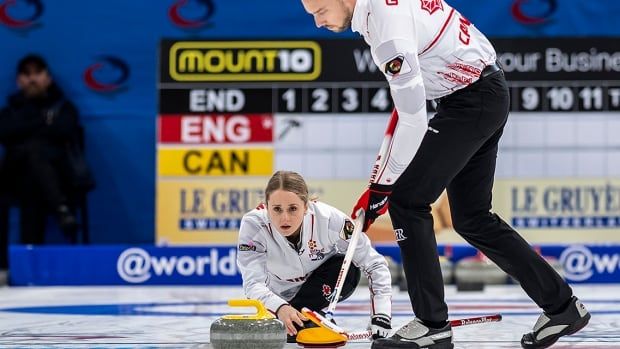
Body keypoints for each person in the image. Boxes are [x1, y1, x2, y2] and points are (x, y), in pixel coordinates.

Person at [300, 1, 590, 348]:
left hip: (471, 100)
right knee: (472, 218)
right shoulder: (378, 14)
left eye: (320, 11)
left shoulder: (386, 28)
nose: (318, 23)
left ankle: (431, 324)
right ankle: (562, 307)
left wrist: (383, 187)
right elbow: (405, 105)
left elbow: (412, 118)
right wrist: (379, 185)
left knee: (407, 200)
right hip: (482, 91)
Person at [237, 170, 392, 343]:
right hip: (278, 294)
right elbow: (252, 283)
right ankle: (304, 320)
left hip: (322, 285)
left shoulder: (329, 220)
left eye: (293, 208)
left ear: (306, 206)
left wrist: (381, 314)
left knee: (348, 266)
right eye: (277, 209)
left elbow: (375, 264)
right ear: (266, 206)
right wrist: (279, 306)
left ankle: (306, 317)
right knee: (291, 330)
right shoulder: (253, 225)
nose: (285, 218)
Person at [0, 54, 83, 244]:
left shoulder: (63, 107)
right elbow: (3, 132)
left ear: (48, 79)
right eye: (27, 74)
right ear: (18, 81)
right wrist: (42, 124)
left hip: (60, 177)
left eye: (37, 73)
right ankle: (61, 209)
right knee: (32, 158)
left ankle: (26, 260)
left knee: (33, 162)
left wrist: (24, 131)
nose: (32, 79)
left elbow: (65, 130)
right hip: (13, 179)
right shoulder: (9, 110)